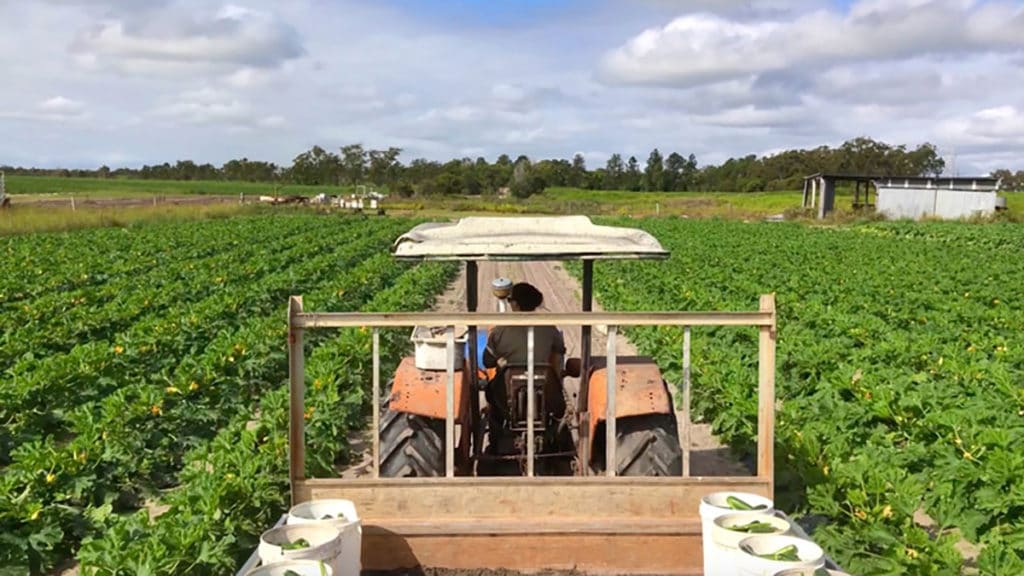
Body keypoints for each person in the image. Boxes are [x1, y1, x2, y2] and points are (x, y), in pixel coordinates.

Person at [482, 282, 567, 440]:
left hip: (507, 396)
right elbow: (560, 351)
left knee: (491, 393)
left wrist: (502, 359)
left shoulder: (500, 330)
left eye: (510, 301)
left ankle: (497, 434)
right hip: (546, 392)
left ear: (515, 304)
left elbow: (487, 362)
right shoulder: (549, 328)